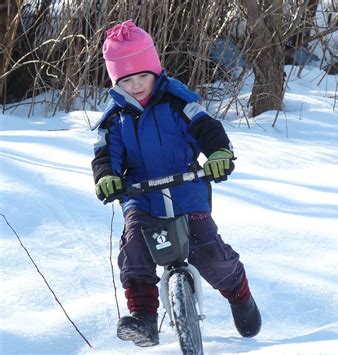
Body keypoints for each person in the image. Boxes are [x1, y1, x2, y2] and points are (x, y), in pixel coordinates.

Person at [91, 20, 261, 347]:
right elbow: (104, 152)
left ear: (155, 71)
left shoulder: (175, 100)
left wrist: (218, 154)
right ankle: (143, 318)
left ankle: (238, 292)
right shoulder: (115, 117)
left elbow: (205, 128)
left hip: (186, 186)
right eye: (127, 80)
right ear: (116, 82)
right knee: (135, 245)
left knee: (207, 250)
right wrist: (107, 176)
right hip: (139, 193)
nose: (137, 85)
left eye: (143, 76)